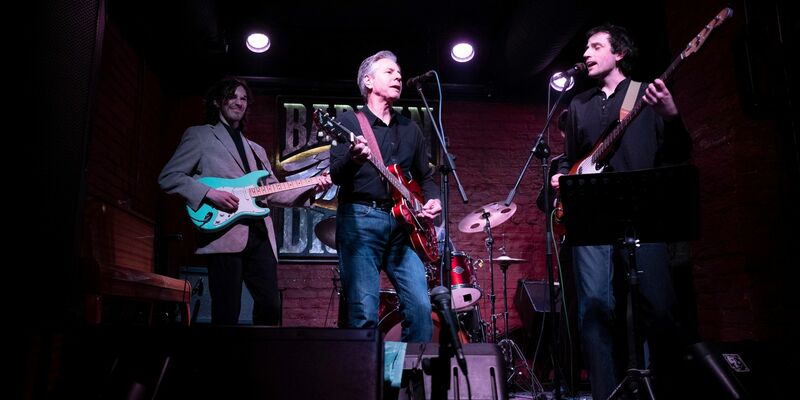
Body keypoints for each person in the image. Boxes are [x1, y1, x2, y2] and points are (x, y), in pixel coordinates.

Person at [552, 24, 692, 399]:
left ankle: (659, 389)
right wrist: (562, 176)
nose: (586, 53)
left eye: (596, 46)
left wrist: (671, 115)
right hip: (591, 217)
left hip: (643, 214)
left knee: (658, 306)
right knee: (594, 309)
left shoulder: (645, 94)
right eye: (585, 47)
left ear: (619, 54)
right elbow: (569, 158)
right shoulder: (578, 105)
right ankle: (605, 393)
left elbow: (679, 152)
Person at [159, 77, 331, 325]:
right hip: (224, 234)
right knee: (226, 311)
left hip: (260, 236)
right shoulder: (200, 136)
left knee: (271, 306)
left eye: (243, 98)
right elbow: (169, 177)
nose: (238, 103)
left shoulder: (256, 150)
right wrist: (209, 194)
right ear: (217, 102)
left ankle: (260, 351)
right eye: (232, 96)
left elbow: (272, 192)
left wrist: (312, 187)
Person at [329, 50, 441, 342]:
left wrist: (433, 200)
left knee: (421, 310)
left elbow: (425, 177)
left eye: (399, 73)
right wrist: (353, 159)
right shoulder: (349, 122)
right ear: (368, 81)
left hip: (403, 228)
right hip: (360, 219)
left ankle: (405, 371)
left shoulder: (410, 128)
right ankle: (364, 372)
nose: (398, 77)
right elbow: (336, 174)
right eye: (389, 72)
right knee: (363, 313)